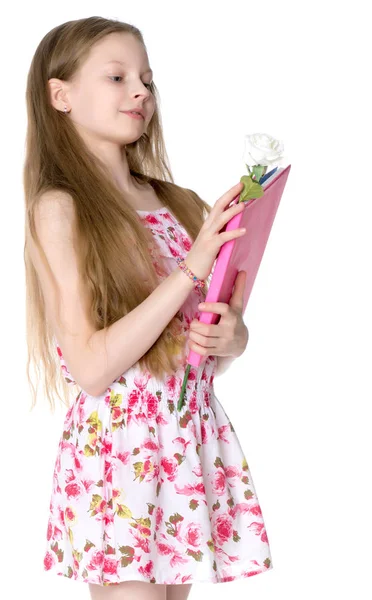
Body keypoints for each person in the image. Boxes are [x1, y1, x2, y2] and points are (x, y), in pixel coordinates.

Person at [24, 15, 273, 600]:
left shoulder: (178, 201)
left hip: (185, 439)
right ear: (60, 95)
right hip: (119, 452)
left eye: (146, 80)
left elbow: (193, 351)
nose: (140, 92)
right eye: (116, 77)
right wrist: (194, 264)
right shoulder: (59, 209)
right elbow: (90, 368)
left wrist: (232, 338)